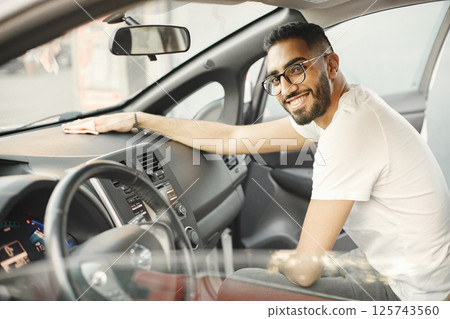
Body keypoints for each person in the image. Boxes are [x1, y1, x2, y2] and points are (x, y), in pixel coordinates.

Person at [63, 22, 450, 301]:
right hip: (407, 274)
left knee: (236, 285)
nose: (286, 88)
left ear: (330, 64)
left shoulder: (350, 131)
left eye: (296, 69)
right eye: (275, 79)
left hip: (416, 299)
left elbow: (306, 269)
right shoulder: (345, 107)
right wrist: (139, 119)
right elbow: (233, 139)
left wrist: (263, 265)